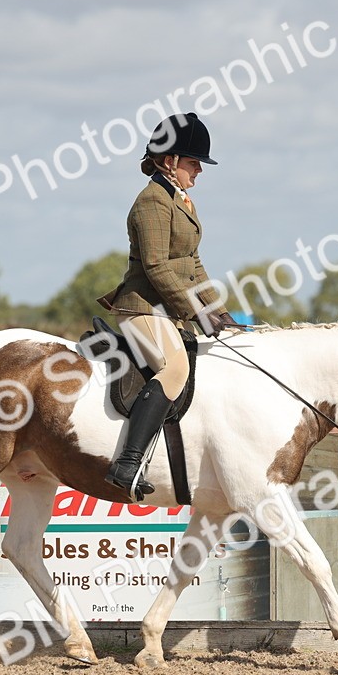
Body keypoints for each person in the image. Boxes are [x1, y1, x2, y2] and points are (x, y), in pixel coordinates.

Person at [97, 112, 239, 500]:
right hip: (141, 308)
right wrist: (196, 312)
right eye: (194, 162)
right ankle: (127, 464)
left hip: (166, 310)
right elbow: (157, 267)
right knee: (175, 368)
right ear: (169, 161)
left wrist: (220, 312)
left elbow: (193, 265)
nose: (199, 171)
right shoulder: (151, 203)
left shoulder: (181, 202)